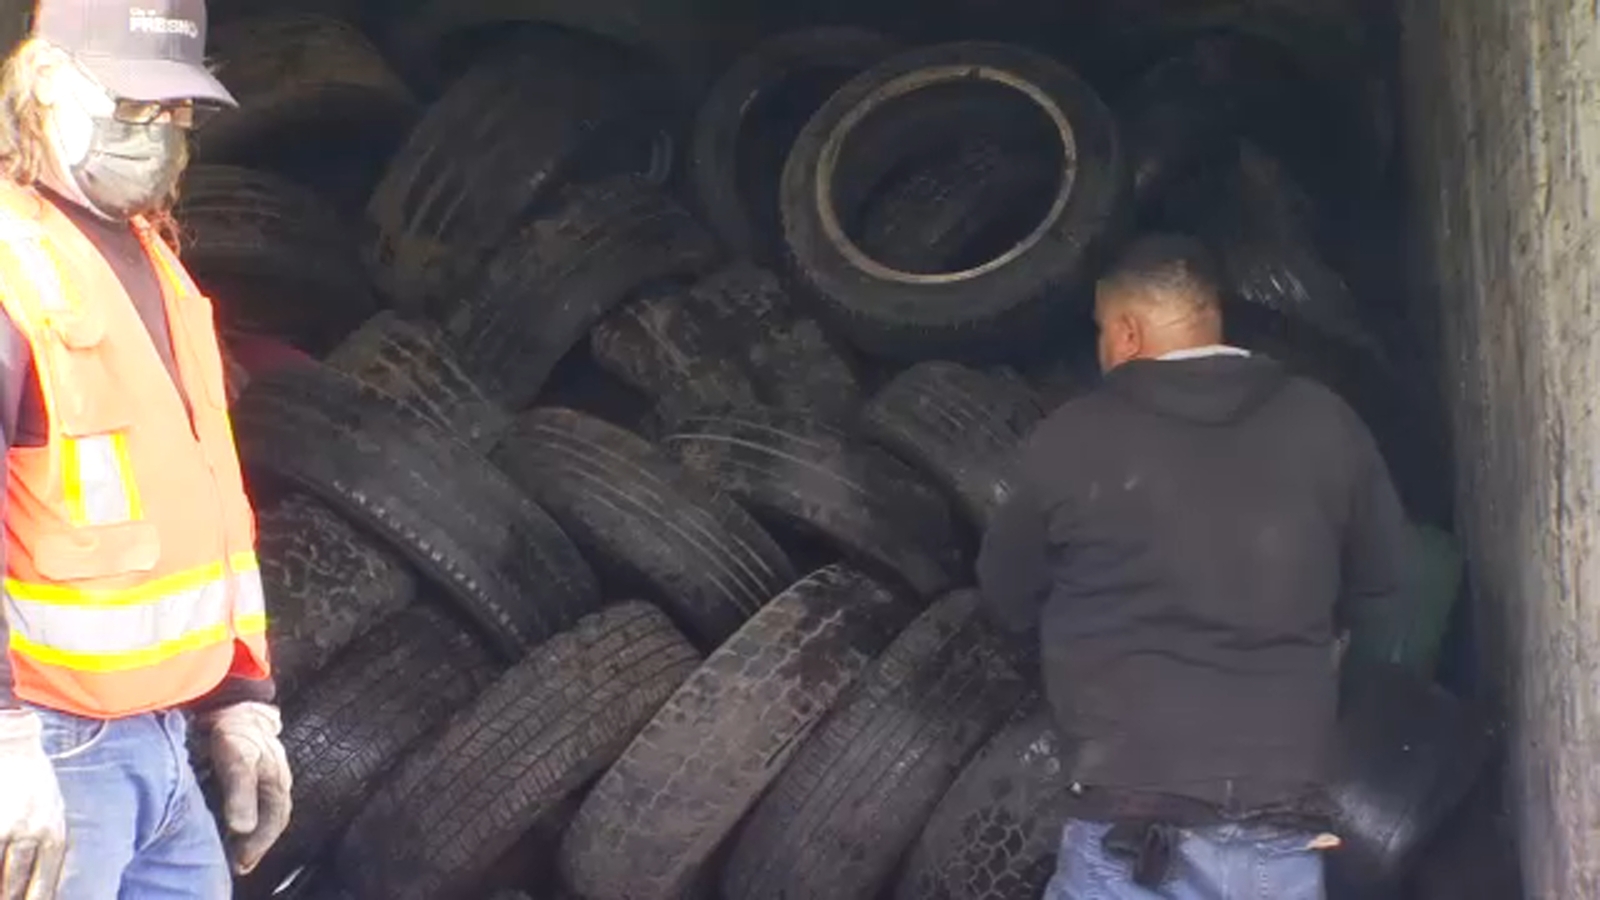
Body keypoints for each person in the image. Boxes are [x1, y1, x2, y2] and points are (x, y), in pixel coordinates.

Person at [977, 234, 1406, 899]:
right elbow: (1383, 592)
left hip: (1128, 815)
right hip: (1279, 819)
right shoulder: (1326, 424)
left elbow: (1006, 592)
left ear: (1125, 332)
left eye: (1100, 332)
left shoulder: (1073, 438)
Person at [0, 1, 292, 897]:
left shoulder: (149, 257)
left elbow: (195, 510)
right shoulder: (12, 266)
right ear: (46, 88)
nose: (157, 134)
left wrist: (241, 703)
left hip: (162, 749)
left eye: (175, 114)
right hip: (53, 748)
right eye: (131, 107)